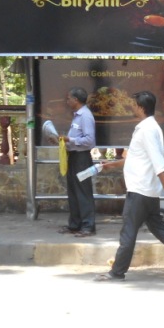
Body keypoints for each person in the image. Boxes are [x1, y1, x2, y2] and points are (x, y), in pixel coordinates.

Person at [95, 91, 164, 281]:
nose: (131, 107)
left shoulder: (147, 130)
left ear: (141, 108)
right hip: (147, 190)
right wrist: (112, 165)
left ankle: (117, 272)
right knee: (158, 228)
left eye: (133, 104)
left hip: (140, 189)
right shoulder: (149, 127)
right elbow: (137, 157)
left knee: (128, 231)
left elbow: (156, 160)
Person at [60, 87, 97, 237]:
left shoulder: (85, 116)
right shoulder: (77, 116)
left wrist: (70, 139)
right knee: (73, 192)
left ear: (76, 100)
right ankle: (75, 224)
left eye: (69, 98)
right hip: (74, 157)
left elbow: (89, 140)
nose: (67, 101)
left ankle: (88, 226)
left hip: (82, 158)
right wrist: (64, 141)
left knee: (83, 192)